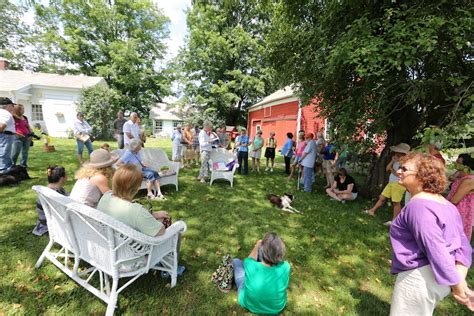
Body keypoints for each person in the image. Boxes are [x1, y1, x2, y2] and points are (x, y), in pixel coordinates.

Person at [389, 152, 474, 315]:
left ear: (422, 175)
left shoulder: (418, 206)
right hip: (439, 279)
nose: (399, 171)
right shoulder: (447, 205)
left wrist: (458, 287)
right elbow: (463, 246)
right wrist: (459, 279)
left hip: (419, 278)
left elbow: (435, 249)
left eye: (404, 169)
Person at [96, 164, 186, 275]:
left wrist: (152, 215)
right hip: (130, 260)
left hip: (108, 251)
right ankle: (171, 267)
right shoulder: (136, 211)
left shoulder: (105, 197)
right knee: (171, 229)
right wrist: (165, 222)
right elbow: (161, 231)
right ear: (137, 188)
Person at [233, 233, 290, 314]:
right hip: (276, 308)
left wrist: (258, 244)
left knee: (236, 262)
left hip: (249, 305)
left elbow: (250, 259)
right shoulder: (286, 267)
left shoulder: (250, 265)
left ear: (263, 251)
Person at [364, 143, 410, 226]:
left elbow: (400, 174)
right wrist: (392, 161)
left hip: (398, 185)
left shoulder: (405, 163)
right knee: (382, 197)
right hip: (391, 183)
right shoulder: (396, 160)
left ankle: (394, 221)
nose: (396, 153)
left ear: (403, 153)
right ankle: (372, 211)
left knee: (396, 202)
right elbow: (387, 168)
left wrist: (392, 169)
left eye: (398, 152)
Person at [33, 166, 68, 236]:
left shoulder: (49, 190)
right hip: (49, 226)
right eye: (66, 174)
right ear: (62, 178)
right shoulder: (53, 195)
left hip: (45, 223)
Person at [447, 155, 474, 240]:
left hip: (459, 213)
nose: (455, 163)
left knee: (456, 238)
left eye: (458, 162)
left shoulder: (469, 181)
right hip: (454, 211)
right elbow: (451, 178)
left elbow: (455, 200)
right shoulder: (462, 177)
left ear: (466, 167)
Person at [0, 98, 16, 173]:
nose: (13, 107)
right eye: (13, 105)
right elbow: (1, 126)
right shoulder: (5, 113)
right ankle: (3, 172)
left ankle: (10, 171)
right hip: (5, 136)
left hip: (5, 135)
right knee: (4, 154)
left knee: (6, 154)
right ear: (8, 106)